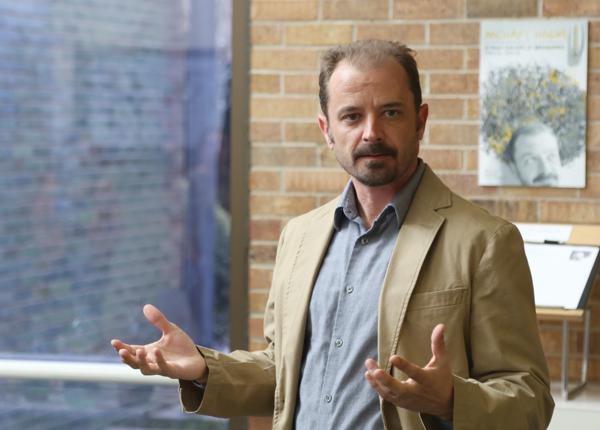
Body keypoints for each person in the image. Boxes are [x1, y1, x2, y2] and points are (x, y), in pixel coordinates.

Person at [112, 40, 554, 429]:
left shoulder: (485, 242)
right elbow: (282, 373)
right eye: (351, 116)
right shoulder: (299, 237)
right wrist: (205, 369)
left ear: (420, 122)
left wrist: (453, 401)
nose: (371, 133)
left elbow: (531, 401)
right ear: (327, 130)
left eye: (391, 113)